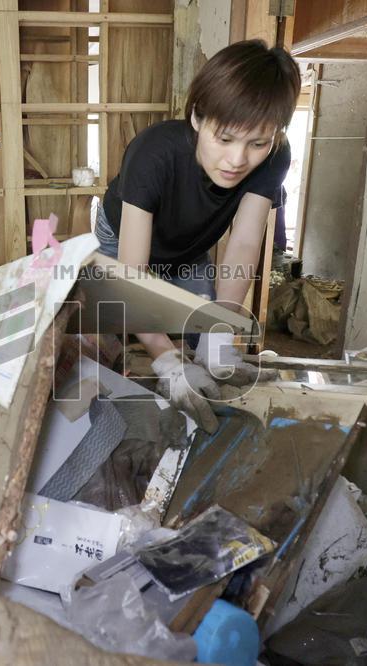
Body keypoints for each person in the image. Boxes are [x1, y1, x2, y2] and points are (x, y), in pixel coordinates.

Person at [93, 39, 300, 431]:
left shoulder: (275, 156)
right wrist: (166, 361)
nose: (237, 160)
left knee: (203, 337)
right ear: (197, 119)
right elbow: (133, 274)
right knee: (112, 332)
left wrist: (222, 337)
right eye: (224, 139)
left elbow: (243, 242)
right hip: (124, 240)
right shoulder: (153, 153)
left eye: (256, 143)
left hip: (188, 249)